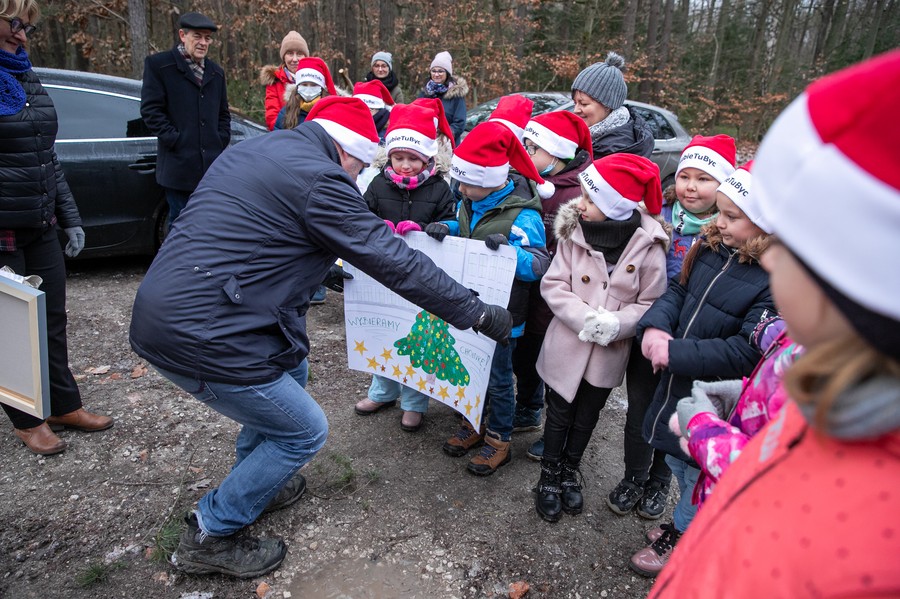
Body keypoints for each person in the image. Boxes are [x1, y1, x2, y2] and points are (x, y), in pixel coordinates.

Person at [129, 96, 513, 578]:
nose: (357, 178)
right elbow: (393, 259)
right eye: (359, 167)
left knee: (292, 369)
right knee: (304, 430)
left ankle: (258, 484)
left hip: (175, 307)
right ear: (347, 150)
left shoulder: (257, 149)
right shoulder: (321, 179)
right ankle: (211, 532)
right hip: (203, 333)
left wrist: (318, 267)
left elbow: (256, 233)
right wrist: (473, 311)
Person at [649, 50, 900, 598]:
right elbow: (784, 455)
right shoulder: (818, 360)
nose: (770, 261)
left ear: (838, 283)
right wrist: (744, 398)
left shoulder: (872, 544)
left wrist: (705, 431)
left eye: (784, 252)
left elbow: (776, 487)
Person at [630, 145, 773, 577]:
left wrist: (675, 353)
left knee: (697, 475)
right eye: (721, 213)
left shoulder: (773, 280)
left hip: (714, 398)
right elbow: (678, 290)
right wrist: (656, 327)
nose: (719, 222)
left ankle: (684, 539)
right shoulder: (711, 247)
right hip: (679, 385)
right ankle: (687, 522)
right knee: (679, 461)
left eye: (732, 216)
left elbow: (747, 350)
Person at [527, 51, 658, 465]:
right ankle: (554, 456)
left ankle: (568, 463)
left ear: (609, 104)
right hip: (576, 296)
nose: (577, 108)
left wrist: (614, 322)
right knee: (561, 394)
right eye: (575, 99)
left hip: (607, 295)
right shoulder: (590, 143)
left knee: (587, 405)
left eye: (584, 102)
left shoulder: (618, 149)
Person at [0, 0, 113, 456]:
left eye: (26, 27)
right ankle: (27, 419)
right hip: (3, 231)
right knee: (11, 328)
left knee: (51, 319)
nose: (22, 35)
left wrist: (70, 217)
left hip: (40, 223)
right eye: (13, 23)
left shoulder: (25, 75)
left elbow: (47, 155)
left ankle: (64, 404)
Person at [605, 133, 737, 521]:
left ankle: (659, 481)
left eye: (703, 179)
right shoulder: (656, 216)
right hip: (650, 330)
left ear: (723, 186)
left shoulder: (730, 233)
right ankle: (634, 475)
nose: (691, 186)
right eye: (685, 176)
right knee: (640, 409)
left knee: (677, 415)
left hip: (694, 341)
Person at [533, 154, 668, 522]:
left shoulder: (649, 247)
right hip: (567, 344)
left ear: (616, 205)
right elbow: (554, 284)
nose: (581, 205)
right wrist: (585, 317)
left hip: (608, 352)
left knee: (587, 416)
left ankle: (569, 470)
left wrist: (617, 324)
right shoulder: (574, 234)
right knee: (559, 414)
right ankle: (548, 474)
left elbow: (651, 302)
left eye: (591, 200)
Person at [425, 120, 551, 476]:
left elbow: (538, 265)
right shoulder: (469, 201)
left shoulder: (524, 215)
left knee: (498, 379)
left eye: (467, 182)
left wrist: (510, 253)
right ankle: (474, 423)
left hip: (504, 317)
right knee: (472, 371)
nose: (460, 189)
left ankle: (499, 440)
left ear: (492, 179)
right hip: (470, 308)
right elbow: (467, 229)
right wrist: (447, 228)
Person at [353, 103, 457, 432]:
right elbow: (362, 216)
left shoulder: (439, 188)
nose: (405, 165)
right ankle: (382, 391)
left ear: (427, 158)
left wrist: (431, 229)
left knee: (416, 338)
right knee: (384, 332)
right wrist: (377, 225)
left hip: (422, 274)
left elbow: (451, 222)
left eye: (413, 158)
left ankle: (414, 402)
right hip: (383, 272)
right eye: (398, 157)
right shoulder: (378, 184)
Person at [513, 112, 593, 440]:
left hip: (560, 296)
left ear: (557, 154)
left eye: (532, 148)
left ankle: (555, 432)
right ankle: (528, 408)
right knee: (525, 355)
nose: (525, 153)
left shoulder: (579, 195)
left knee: (556, 363)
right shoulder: (528, 182)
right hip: (528, 290)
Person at [140, 11, 230, 229]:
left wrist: (219, 139)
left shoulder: (216, 73)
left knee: (210, 227)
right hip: (178, 169)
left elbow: (223, 114)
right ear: (183, 35)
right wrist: (176, 139)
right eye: (197, 36)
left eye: (207, 38)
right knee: (181, 226)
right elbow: (151, 111)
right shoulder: (159, 66)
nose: (203, 43)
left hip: (211, 170)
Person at [571, 52, 653, 160]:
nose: (576, 110)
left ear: (607, 105)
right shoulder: (584, 136)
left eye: (584, 104)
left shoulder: (617, 149)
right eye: (575, 103)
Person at [259, 30, 310, 131]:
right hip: (285, 135)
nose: (295, 59)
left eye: (299, 54)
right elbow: (272, 119)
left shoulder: (316, 80)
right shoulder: (274, 82)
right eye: (290, 53)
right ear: (284, 57)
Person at [273, 56, 337, 131]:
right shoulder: (286, 112)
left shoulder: (331, 111)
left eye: (314, 85)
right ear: (298, 86)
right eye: (304, 84)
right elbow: (277, 135)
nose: (308, 89)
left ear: (321, 87)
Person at [417, 51, 467, 145]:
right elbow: (416, 115)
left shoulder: (456, 95)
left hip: (447, 145)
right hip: (424, 143)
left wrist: (446, 135)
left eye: (440, 71)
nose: (436, 74)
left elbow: (460, 123)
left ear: (447, 73)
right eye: (434, 71)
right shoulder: (424, 93)